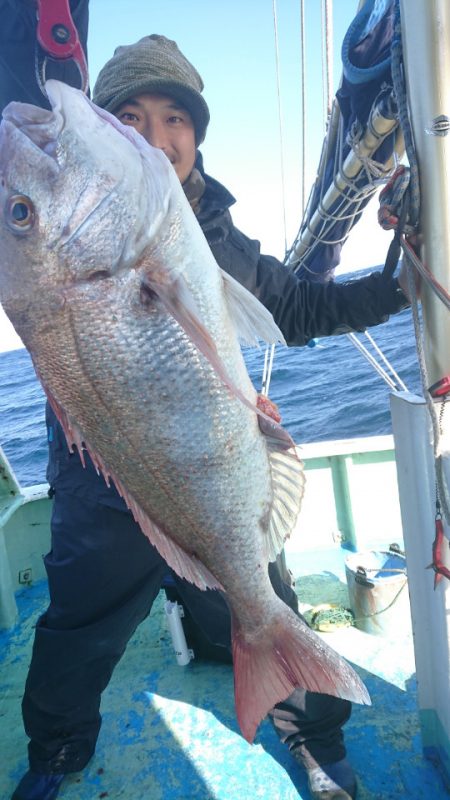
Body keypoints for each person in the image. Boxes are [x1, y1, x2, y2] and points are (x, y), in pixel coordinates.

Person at [1, 7, 412, 800]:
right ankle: (56, 754)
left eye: (174, 117)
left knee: (268, 598)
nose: (155, 134)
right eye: (126, 116)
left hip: (216, 481)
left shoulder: (216, 240)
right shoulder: (103, 243)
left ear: (197, 135)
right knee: (74, 635)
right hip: (101, 492)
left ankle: (315, 741)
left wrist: (399, 283)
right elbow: (29, 81)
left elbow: (298, 311)